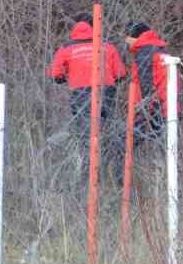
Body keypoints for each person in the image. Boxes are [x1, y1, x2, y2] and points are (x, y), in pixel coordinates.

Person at [49, 12, 128, 164]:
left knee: (83, 130)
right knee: (106, 128)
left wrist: (66, 77)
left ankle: (86, 163)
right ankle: (108, 161)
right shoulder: (107, 46)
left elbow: (55, 74)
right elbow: (121, 74)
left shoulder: (66, 48)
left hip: (80, 93)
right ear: (95, 27)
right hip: (106, 91)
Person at [124, 21, 170, 144]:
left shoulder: (145, 53)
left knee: (127, 144)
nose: (126, 43)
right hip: (167, 106)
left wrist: (141, 112)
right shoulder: (158, 50)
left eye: (128, 39)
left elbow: (146, 85)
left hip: (155, 108)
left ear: (135, 37)